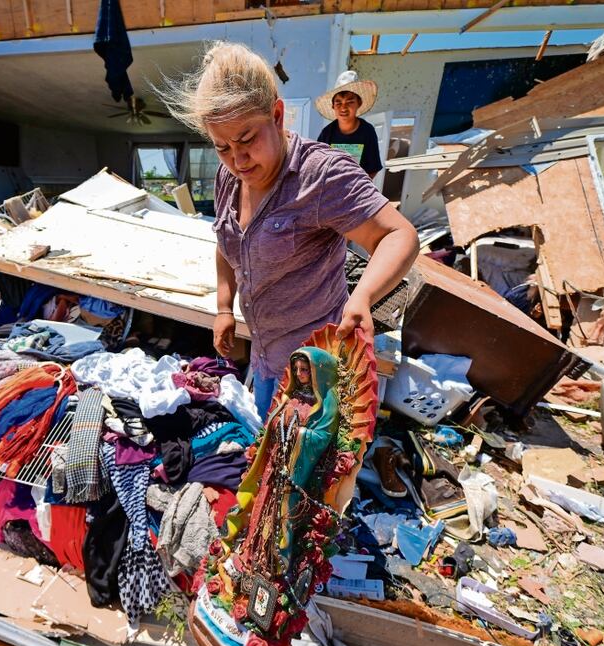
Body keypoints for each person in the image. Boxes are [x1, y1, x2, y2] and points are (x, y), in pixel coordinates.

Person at [161, 42, 419, 419]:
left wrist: (362, 297)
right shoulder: (228, 177)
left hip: (317, 371)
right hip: (266, 358)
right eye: (222, 147)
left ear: (277, 115)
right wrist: (223, 308)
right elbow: (226, 241)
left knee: (309, 468)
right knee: (273, 451)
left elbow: (399, 235)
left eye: (247, 139)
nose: (238, 159)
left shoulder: (322, 175)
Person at [315, 71, 383, 178]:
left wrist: (359, 188)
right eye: (338, 103)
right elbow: (317, 164)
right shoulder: (327, 133)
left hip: (357, 191)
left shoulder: (367, 131)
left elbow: (373, 168)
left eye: (350, 102)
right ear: (333, 106)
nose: (343, 108)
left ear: (359, 103)